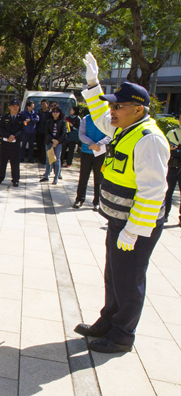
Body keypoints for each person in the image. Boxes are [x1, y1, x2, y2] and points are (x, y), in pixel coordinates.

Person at [73, 54, 169, 354]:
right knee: (114, 274)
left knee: (128, 280)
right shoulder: (125, 127)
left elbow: (153, 191)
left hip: (135, 226)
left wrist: (134, 229)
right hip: (118, 220)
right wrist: (92, 83)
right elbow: (101, 114)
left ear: (137, 109)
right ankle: (108, 321)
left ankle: (122, 336)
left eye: (118, 106)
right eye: (113, 105)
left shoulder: (148, 139)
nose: (112, 111)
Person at [74, 115, 111, 210]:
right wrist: (91, 143)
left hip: (100, 152)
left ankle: (97, 201)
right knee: (83, 176)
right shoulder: (86, 119)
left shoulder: (106, 119)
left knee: (99, 178)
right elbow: (81, 134)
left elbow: (110, 135)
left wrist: (98, 144)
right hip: (87, 151)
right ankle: (79, 199)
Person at [0, 99, 24, 187]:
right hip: (6, 143)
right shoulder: (4, 117)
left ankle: (15, 179)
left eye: (17, 106)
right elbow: (1, 129)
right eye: (13, 106)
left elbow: (23, 129)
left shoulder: (22, 118)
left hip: (15, 143)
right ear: (9, 107)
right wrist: (8, 136)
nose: (15, 108)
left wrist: (14, 137)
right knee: (3, 161)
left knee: (15, 162)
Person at [39, 106, 67, 185]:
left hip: (58, 143)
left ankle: (56, 177)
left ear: (59, 113)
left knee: (57, 160)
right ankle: (46, 175)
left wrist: (57, 141)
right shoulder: (49, 121)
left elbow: (63, 133)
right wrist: (52, 140)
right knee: (49, 160)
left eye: (57, 112)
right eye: (53, 111)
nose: (55, 113)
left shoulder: (62, 122)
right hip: (49, 142)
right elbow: (46, 132)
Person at [164, 117, 181, 224]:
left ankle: (165, 215)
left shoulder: (172, 133)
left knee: (168, 192)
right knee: (168, 192)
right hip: (172, 167)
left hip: (172, 167)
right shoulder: (171, 133)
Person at [36, 99, 51, 166]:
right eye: (42, 104)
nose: (43, 105)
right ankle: (39, 158)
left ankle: (44, 159)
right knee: (39, 145)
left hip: (46, 132)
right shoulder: (39, 112)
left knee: (44, 146)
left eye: (44, 104)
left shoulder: (50, 113)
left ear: (47, 105)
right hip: (39, 131)